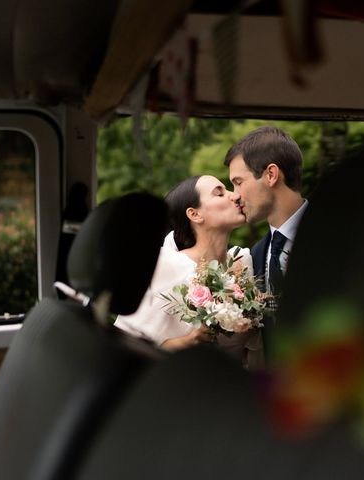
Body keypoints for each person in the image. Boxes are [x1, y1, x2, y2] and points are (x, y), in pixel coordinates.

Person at [115, 175, 264, 369]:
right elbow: (126, 350)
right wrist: (187, 342)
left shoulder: (241, 262)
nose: (235, 196)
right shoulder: (167, 264)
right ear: (195, 214)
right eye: (220, 193)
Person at [224, 125, 308, 301]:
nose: (234, 195)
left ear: (271, 175)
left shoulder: (338, 236)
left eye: (238, 182)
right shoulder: (255, 255)